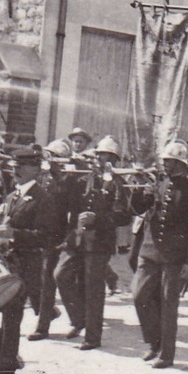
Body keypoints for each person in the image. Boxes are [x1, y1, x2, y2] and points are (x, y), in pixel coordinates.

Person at [0, 145, 59, 374]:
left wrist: (15, 235)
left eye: (22, 166)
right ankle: (8, 361)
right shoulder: (12, 196)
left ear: (35, 169)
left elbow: (47, 237)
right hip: (5, 263)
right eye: (14, 166)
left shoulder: (44, 198)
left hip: (26, 266)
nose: (16, 170)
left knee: (11, 322)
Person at [130, 141, 188, 368]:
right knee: (139, 296)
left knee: (168, 304)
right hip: (150, 251)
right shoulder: (157, 184)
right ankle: (154, 341)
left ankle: (166, 353)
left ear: (180, 165)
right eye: (164, 161)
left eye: (169, 162)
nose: (164, 165)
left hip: (175, 256)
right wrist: (138, 188)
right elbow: (138, 209)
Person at [53, 136, 129, 349]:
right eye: (98, 155)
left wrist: (98, 219)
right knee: (61, 274)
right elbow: (64, 198)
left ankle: (92, 337)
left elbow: (123, 215)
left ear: (113, 159)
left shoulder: (117, 182)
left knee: (93, 288)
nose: (100, 159)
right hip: (77, 239)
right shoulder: (84, 177)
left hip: (100, 242)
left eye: (105, 156)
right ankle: (78, 320)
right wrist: (60, 174)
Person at [24, 139, 74, 340]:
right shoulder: (44, 179)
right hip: (39, 234)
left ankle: (43, 326)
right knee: (34, 279)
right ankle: (51, 314)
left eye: (54, 157)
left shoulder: (70, 181)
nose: (49, 161)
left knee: (48, 282)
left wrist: (68, 238)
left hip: (57, 236)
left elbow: (73, 211)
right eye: (49, 157)